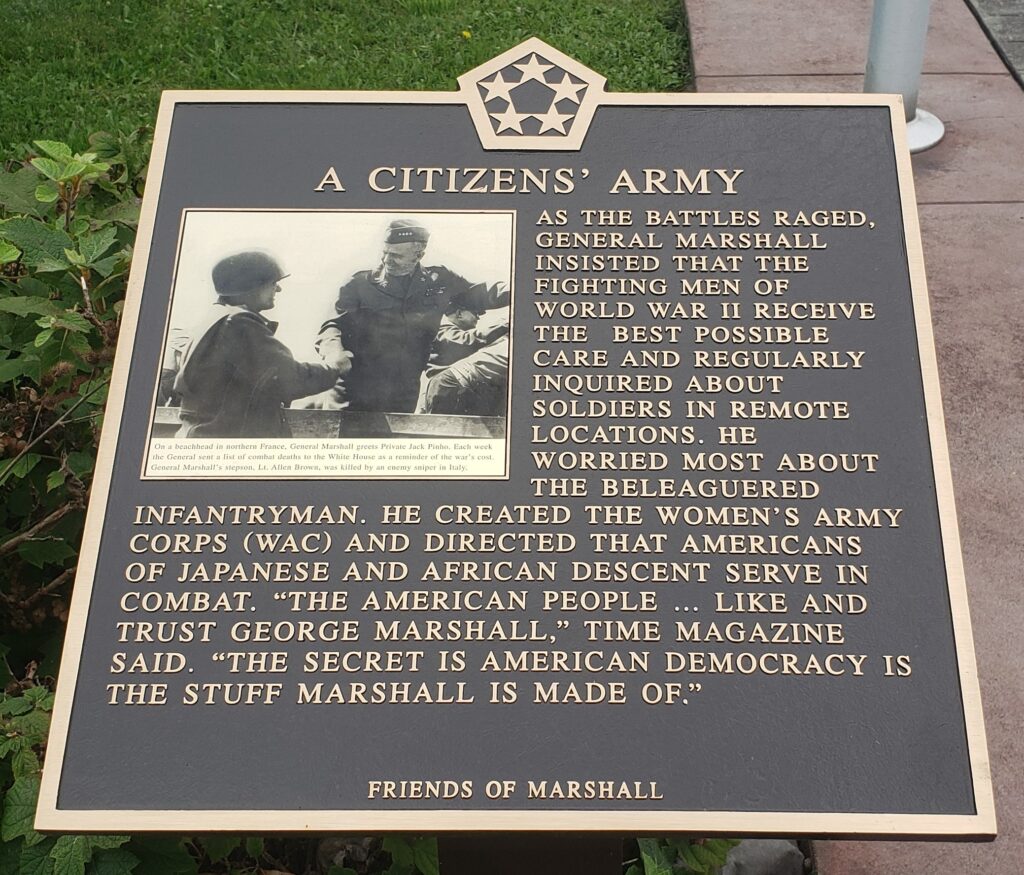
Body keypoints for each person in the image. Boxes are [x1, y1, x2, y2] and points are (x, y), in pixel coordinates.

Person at [316, 219, 508, 413]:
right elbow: (332, 326)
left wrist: (522, 290)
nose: (387, 260)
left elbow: (480, 294)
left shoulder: (437, 280)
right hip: (354, 390)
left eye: (396, 256)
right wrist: (333, 353)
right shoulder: (359, 284)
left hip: (402, 392)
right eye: (385, 253)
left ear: (419, 255)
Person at [173, 251, 349, 438]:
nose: (278, 289)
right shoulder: (239, 323)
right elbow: (290, 378)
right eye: (272, 283)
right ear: (251, 288)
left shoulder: (216, 318)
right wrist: (335, 367)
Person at [420, 333, 509, 417]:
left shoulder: (503, 345)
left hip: (454, 383)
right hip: (451, 383)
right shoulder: (507, 348)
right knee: (438, 427)